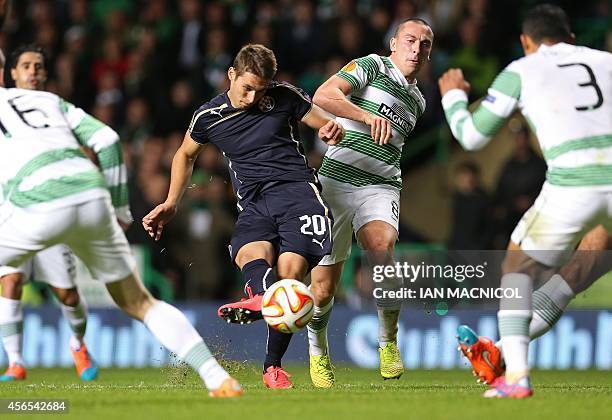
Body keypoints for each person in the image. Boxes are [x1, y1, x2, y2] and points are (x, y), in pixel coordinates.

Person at [0, 47, 242, 398]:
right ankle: (217, 377)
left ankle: (30, 355)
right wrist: (120, 211)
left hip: (35, 203)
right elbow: (109, 140)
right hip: (90, 193)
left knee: (9, 277)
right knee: (141, 302)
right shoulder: (50, 102)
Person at [142, 44, 344, 389]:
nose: (252, 98)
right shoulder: (209, 117)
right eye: (247, 88)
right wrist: (172, 201)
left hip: (298, 194)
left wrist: (328, 129)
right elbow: (184, 154)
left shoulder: (283, 96)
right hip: (254, 203)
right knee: (248, 254)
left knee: (290, 277)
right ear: (231, 75)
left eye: (260, 90)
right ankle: (263, 298)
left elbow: (320, 121)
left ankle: (272, 364)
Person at [439, 4, 612, 398]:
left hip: (574, 183)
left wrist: (452, 98)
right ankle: (497, 352)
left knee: (517, 266)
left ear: (525, 41)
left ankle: (516, 377)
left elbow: (470, 138)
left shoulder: (521, 68)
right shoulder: (606, 60)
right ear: (571, 37)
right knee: (582, 267)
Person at [306, 18, 434, 387]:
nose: (416, 49)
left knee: (382, 250)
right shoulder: (371, 66)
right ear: (394, 43)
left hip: (380, 184)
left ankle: (387, 342)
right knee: (323, 289)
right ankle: (318, 352)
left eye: (425, 44)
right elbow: (323, 95)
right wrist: (366, 115)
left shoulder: (419, 100)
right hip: (335, 181)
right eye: (410, 40)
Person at [0, 44, 121, 382]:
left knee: (66, 293)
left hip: (51, 206)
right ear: (11, 73)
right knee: (9, 281)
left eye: (38, 66)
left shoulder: (55, 110)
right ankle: (15, 362)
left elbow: (94, 145)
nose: (33, 72)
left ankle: (78, 343)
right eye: (25, 65)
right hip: (11, 212)